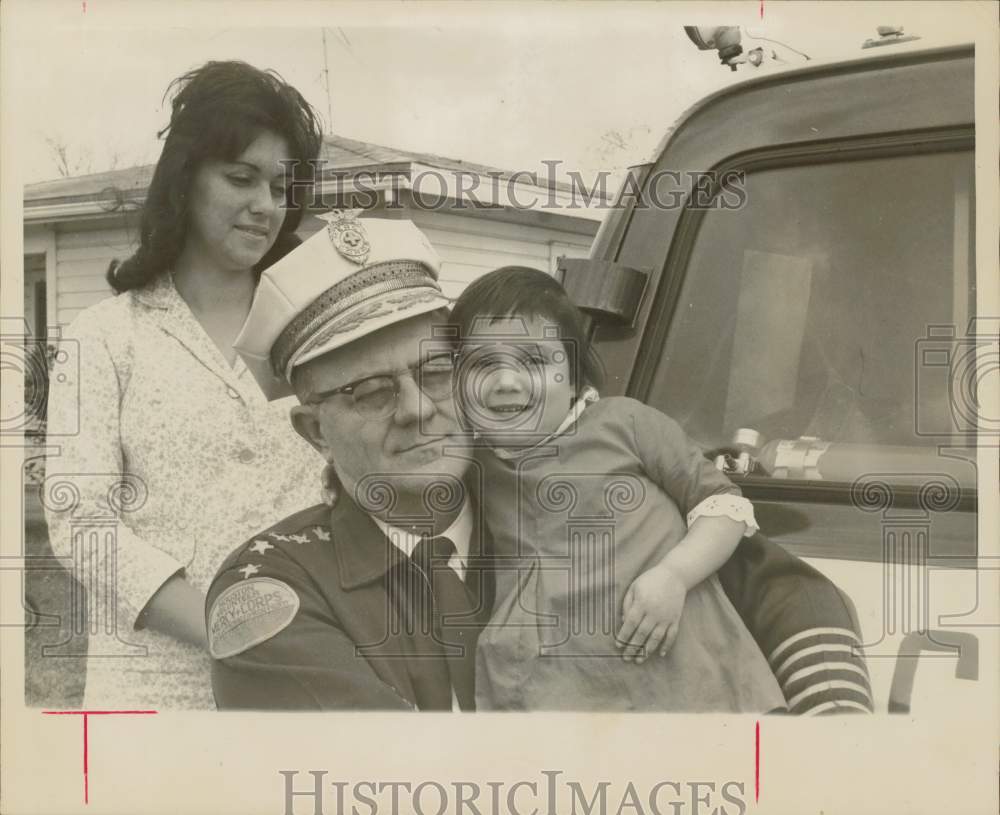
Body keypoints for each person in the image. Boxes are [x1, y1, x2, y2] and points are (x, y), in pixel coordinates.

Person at [207, 219, 873, 714]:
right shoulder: (274, 587)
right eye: (368, 390)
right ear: (313, 428)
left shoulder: (556, 477)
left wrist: (829, 740)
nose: (416, 409)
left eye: (437, 370)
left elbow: (782, 585)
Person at [43, 60, 325, 709]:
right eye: (241, 178)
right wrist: (228, 627)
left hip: (306, 683)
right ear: (186, 177)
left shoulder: (315, 337)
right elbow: (80, 521)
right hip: (151, 693)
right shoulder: (108, 335)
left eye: (281, 187)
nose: (265, 206)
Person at [451, 266, 784, 711]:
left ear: (571, 378)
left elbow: (724, 505)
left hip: (681, 676)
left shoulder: (625, 423)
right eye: (483, 364)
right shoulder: (471, 464)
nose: (507, 382)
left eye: (533, 360)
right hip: (555, 688)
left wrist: (674, 575)